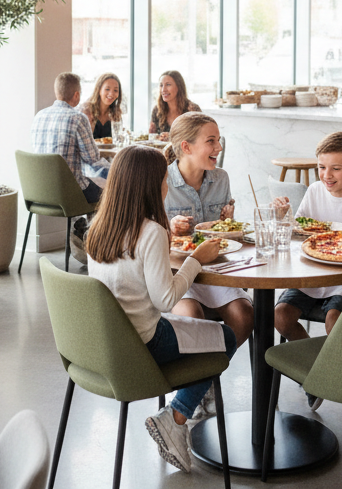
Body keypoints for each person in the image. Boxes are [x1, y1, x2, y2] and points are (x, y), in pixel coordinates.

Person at [87, 145, 238, 474]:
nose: (167, 184)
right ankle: (175, 417)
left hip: (104, 343)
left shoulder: (99, 225)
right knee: (225, 337)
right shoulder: (151, 231)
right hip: (144, 343)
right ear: (152, 185)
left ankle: (178, 413)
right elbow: (166, 301)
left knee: (198, 331)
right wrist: (196, 259)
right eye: (163, 179)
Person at [273, 131, 342, 410]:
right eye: (321, 167)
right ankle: (316, 373)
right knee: (280, 315)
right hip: (312, 276)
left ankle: (330, 378)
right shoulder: (314, 191)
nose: (326, 175)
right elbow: (299, 235)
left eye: (336, 168)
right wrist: (284, 218)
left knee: (334, 319)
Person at [165, 113, 254, 366]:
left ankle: (210, 372)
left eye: (219, 140)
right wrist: (169, 228)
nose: (219, 147)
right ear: (186, 147)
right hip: (177, 274)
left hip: (216, 271)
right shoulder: (162, 180)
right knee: (192, 319)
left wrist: (227, 223)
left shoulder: (221, 178)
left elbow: (225, 235)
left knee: (245, 315)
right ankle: (203, 379)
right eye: (211, 141)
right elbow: (147, 234)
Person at [32, 72, 109, 204]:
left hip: (39, 192)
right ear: (76, 95)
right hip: (70, 192)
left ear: (57, 92)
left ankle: (85, 218)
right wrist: (115, 169)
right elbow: (92, 159)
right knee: (115, 191)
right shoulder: (78, 118)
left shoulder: (39, 116)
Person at [149, 70, 201, 138]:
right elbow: (153, 139)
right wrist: (152, 134)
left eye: (168, 85)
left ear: (179, 87)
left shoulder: (192, 110)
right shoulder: (157, 110)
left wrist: (171, 137)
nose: (163, 90)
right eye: (161, 85)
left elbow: (199, 138)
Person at [79, 72, 123, 140]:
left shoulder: (115, 113)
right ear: (99, 90)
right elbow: (81, 140)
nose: (111, 94)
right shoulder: (86, 110)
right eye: (107, 89)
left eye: (115, 90)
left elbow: (117, 139)